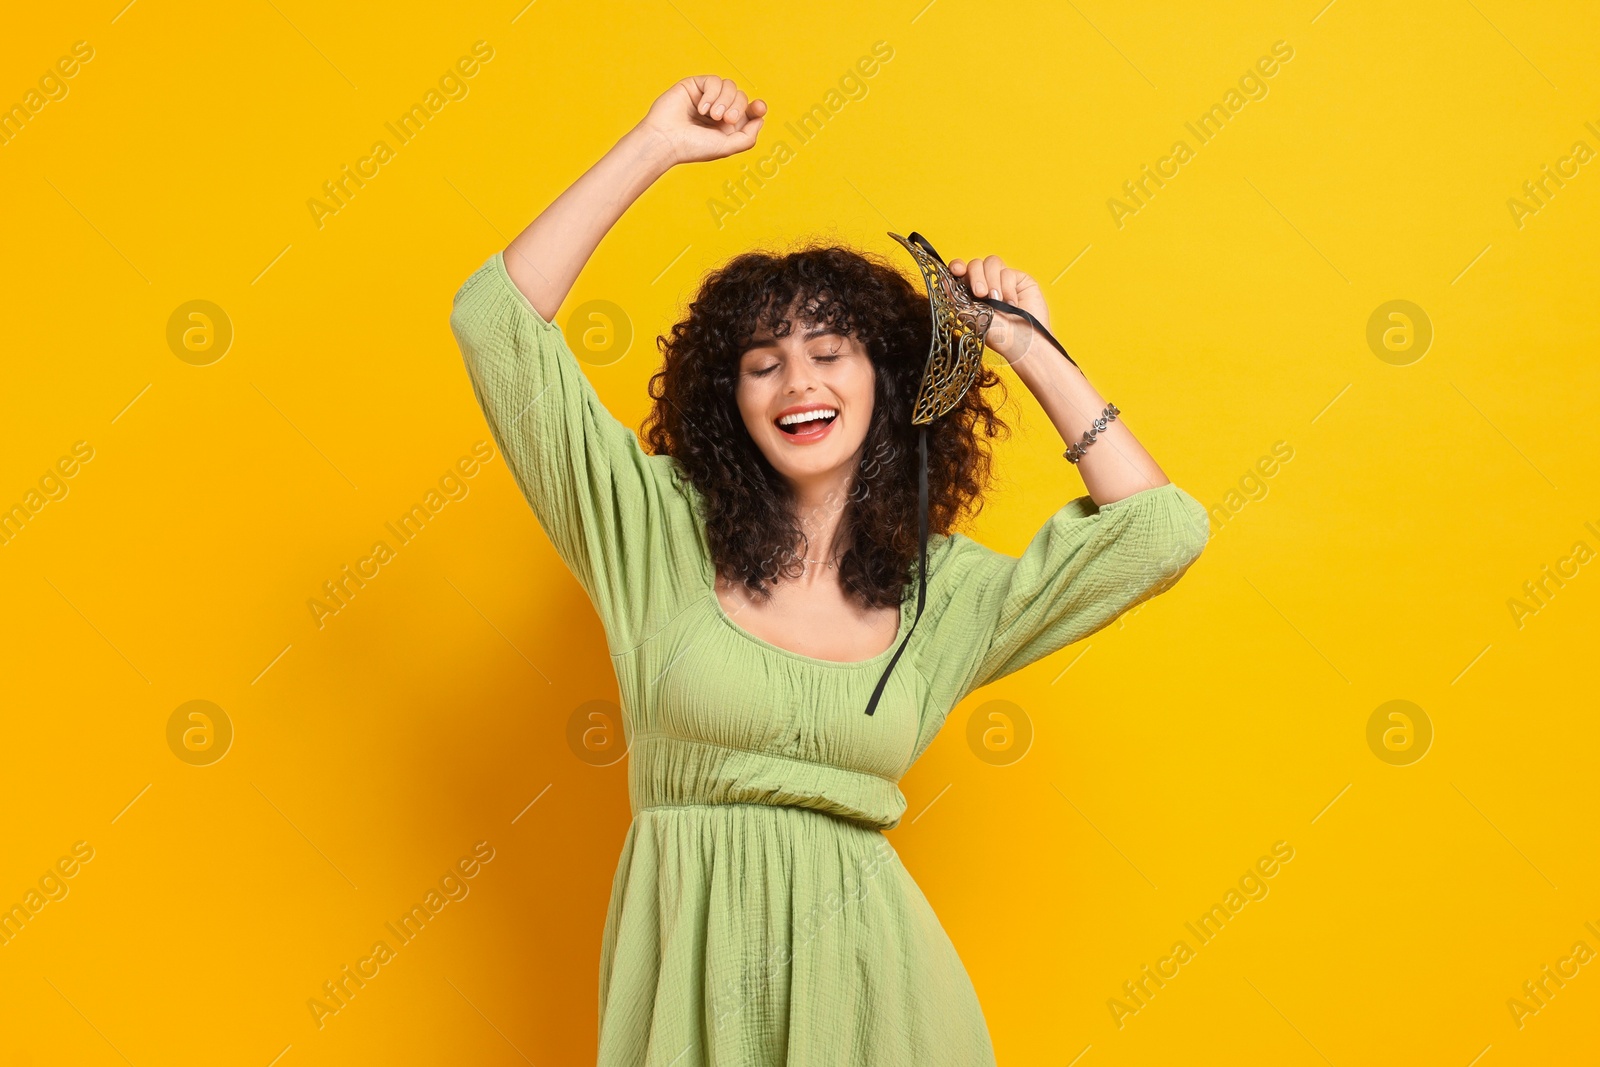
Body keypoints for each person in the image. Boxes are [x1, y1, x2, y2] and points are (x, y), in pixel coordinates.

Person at [450, 74, 1209, 1066]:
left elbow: (1161, 531)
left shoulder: (944, 595)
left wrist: (1025, 345)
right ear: (729, 398)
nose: (797, 380)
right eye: (762, 361)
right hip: (692, 998)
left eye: (829, 351)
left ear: (885, 382)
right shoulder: (649, 527)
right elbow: (494, 324)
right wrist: (653, 145)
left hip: (882, 1009)